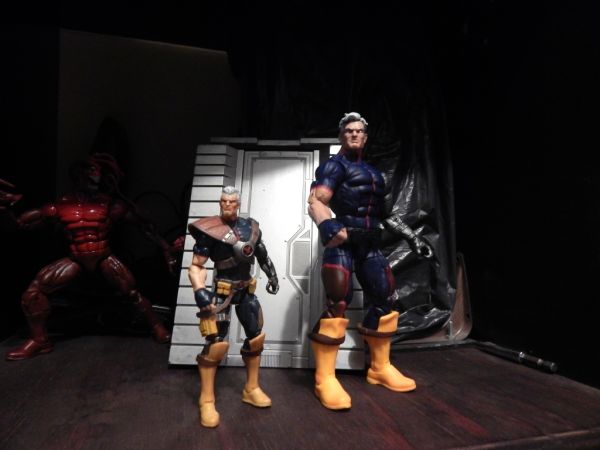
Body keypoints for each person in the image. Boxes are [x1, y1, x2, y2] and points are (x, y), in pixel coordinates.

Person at [307, 112, 433, 410]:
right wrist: (328, 226)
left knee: (385, 298)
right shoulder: (334, 167)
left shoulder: (375, 175)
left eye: (359, 131)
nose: (354, 134)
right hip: (343, 242)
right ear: (341, 136)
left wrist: (412, 238)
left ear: (365, 136)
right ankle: (324, 378)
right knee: (338, 302)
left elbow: (387, 215)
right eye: (349, 130)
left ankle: (379, 368)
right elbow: (316, 201)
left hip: (370, 243)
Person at [1, 153, 174, 361]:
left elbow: (144, 225)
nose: (96, 180)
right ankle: (39, 340)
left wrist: (166, 248)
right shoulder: (59, 206)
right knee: (32, 293)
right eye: (90, 175)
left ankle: (158, 327)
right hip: (75, 258)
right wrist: (5, 208)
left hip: (103, 256)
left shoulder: (109, 205)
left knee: (132, 292)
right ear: (77, 177)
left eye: (97, 175)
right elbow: (20, 224)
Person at [188, 186, 279, 428]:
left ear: (238, 203)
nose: (227, 205)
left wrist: (272, 275)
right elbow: (196, 266)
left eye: (231, 202)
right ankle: (207, 399)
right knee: (216, 345)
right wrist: (200, 291)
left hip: (246, 290)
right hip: (222, 292)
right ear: (220, 202)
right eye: (224, 201)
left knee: (256, 339)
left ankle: (251, 388)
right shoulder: (210, 230)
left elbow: (261, 254)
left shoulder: (251, 227)